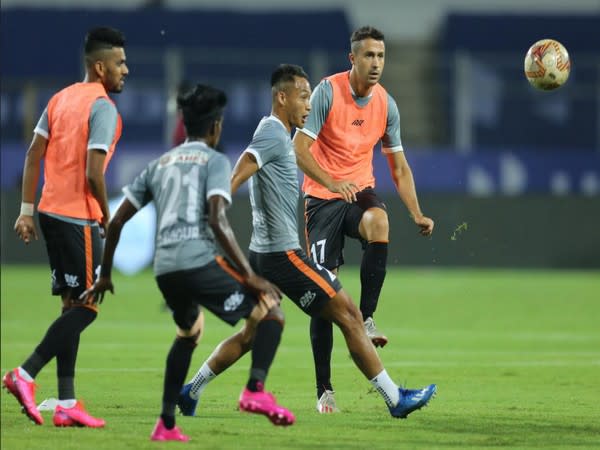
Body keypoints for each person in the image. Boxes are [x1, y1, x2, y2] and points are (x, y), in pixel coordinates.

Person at [178, 64, 436, 420]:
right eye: (302, 96)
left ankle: (191, 390)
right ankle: (395, 399)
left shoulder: (278, 134)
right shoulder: (271, 133)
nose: (308, 105)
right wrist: (215, 207)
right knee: (349, 314)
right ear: (281, 98)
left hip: (263, 254)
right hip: (283, 255)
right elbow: (239, 171)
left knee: (252, 332)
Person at [83, 84, 295, 442]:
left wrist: (104, 275)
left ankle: (166, 423)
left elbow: (116, 222)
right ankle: (255, 389)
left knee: (189, 332)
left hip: (164, 271)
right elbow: (216, 218)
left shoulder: (159, 164)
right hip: (197, 262)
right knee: (270, 309)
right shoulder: (215, 161)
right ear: (215, 127)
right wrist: (250, 276)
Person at [291, 26, 435, 413]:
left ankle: (367, 318)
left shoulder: (386, 104)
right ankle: (325, 391)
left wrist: (416, 212)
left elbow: (399, 167)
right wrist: (331, 181)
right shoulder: (327, 92)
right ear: (352, 58)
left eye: (381, 56)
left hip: (359, 191)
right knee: (325, 293)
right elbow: (299, 149)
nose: (376, 63)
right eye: (369, 56)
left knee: (379, 223)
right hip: (322, 199)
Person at [3, 27, 128, 428]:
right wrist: (108, 218)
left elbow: (33, 152)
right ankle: (24, 374)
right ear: (99, 66)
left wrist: (25, 210)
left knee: (70, 305)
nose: (125, 69)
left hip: (49, 211)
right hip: (78, 215)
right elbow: (94, 172)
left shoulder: (59, 98)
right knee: (87, 307)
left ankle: (67, 403)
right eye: (119, 63)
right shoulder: (103, 107)